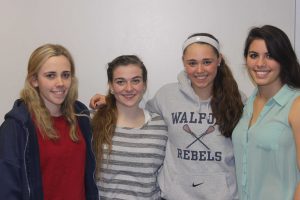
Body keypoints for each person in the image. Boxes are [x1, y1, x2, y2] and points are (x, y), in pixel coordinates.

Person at [90, 33, 244, 199]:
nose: (200, 70)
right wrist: (111, 101)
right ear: (183, 62)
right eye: (192, 63)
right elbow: (133, 109)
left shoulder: (238, 100)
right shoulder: (166, 96)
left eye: (207, 62)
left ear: (219, 60)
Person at [0, 44, 98, 200]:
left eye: (65, 75)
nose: (60, 83)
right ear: (34, 80)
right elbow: (7, 189)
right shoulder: (16, 127)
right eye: (51, 75)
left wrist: (112, 101)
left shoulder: (81, 117)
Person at [232, 25, 300, 200]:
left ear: (284, 59)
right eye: (253, 55)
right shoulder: (247, 104)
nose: (260, 63)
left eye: (269, 55)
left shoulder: (296, 104)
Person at [91, 55, 168, 199]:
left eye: (136, 81)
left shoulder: (160, 126)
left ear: (144, 84)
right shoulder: (93, 122)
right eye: (120, 82)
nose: (129, 88)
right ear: (111, 86)